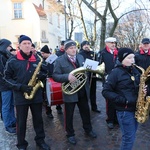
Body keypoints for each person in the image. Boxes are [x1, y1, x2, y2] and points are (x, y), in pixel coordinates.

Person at [4, 35, 50, 150]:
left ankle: (40, 140)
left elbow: (46, 71)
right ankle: (21, 144)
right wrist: (20, 87)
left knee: (38, 120)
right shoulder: (12, 60)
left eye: (29, 43)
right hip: (20, 96)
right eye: (24, 43)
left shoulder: (38, 58)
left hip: (36, 95)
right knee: (21, 122)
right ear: (19, 46)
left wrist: (42, 76)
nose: (27, 45)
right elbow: (6, 78)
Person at [53, 39, 97, 145]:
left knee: (85, 112)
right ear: (66, 50)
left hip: (82, 90)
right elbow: (55, 75)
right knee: (69, 115)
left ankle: (88, 129)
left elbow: (85, 70)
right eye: (71, 48)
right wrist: (67, 76)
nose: (74, 50)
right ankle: (70, 134)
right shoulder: (59, 60)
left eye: (75, 48)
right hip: (70, 91)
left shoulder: (81, 57)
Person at [102, 48, 142, 150]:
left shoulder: (135, 70)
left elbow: (138, 86)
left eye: (133, 57)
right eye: (129, 58)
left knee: (131, 136)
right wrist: (124, 100)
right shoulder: (115, 73)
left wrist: (144, 90)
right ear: (122, 59)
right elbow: (106, 91)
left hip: (136, 108)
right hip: (125, 111)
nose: (133, 60)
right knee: (128, 139)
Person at [98, 37, 118, 129]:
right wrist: (104, 75)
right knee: (109, 101)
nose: (113, 44)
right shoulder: (102, 53)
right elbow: (99, 67)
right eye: (111, 43)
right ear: (106, 43)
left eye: (114, 42)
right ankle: (110, 119)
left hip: (118, 80)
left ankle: (116, 118)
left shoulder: (118, 52)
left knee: (117, 99)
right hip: (107, 80)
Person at [0, 39, 16, 135]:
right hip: (4, 85)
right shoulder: (1, 57)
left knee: (11, 105)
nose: (10, 48)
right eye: (9, 46)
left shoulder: (5, 55)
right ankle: (8, 125)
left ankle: (12, 120)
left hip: (9, 85)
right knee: (6, 106)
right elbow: (4, 72)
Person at [79, 40, 101, 113]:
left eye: (88, 45)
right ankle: (85, 108)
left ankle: (94, 107)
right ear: (82, 46)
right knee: (84, 93)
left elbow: (97, 63)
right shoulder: (80, 54)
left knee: (93, 93)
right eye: (85, 45)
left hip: (92, 76)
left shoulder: (93, 54)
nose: (87, 46)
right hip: (84, 76)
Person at [40, 45, 54, 118]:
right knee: (46, 96)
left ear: (46, 53)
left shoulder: (54, 58)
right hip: (45, 80)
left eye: (43, 53)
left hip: (54, 79)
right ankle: (48, 111)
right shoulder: (42, 60)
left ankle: (58, 107)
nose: (42, 55)